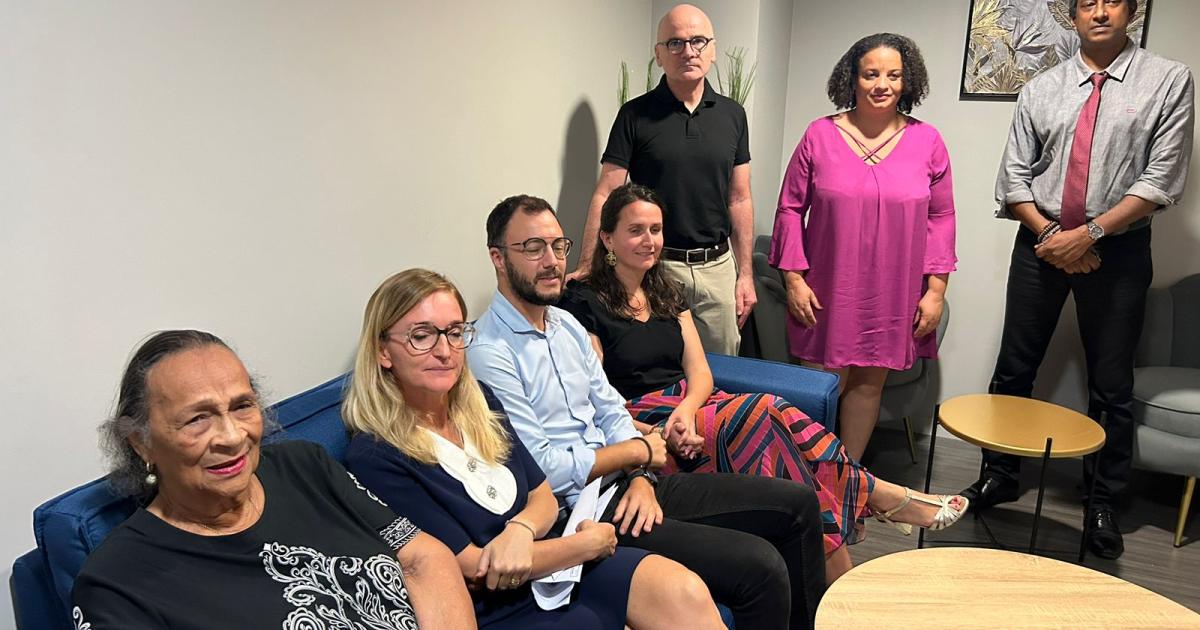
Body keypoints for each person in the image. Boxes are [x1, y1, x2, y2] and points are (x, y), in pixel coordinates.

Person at [561, 183, 968, 583]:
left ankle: (845, 553)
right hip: (638, 420)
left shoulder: (666, 289)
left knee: (770, 420)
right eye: (636, 230)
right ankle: (878, 501)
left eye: (656, 229)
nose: (649, 241)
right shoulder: (585, 301)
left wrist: (686, 410)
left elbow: (699, 371)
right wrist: (658, 429)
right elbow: (592, 398)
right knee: (762, 413)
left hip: (690, 407)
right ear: (607, 237)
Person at [468, 194, 828, 630]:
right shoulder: (490, 351)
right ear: (498, 258)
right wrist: (638, 456)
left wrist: (639, 477)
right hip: (582, 514)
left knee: (797, 504)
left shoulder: (565, 327)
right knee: (760, 567)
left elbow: (609, 410)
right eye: (532, 248)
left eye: (558, 246)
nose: (551, 261)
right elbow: (546, 470)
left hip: (629, 485)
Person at [342, 268, 725, 629]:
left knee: (684, 591)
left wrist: (521, 529)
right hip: (501, 603)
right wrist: (585, 545)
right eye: (422, 336)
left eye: (455, 332)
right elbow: (477, 567)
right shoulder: (375, 455)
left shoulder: (480, 402)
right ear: (383, 351)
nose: (444, 350)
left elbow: (541, 495)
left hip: (557, 560)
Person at [966, 0, 1194, 560]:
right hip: (1040, 240)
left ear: (1131, 11)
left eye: (1111, 0)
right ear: (1073, 16)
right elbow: (1013, 177)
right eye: (1087, 2)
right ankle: (1000, 475)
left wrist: (1088, 236)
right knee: (1014, 366)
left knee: (1111, 384)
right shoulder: (1042, 86)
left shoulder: (1168, 80)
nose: (1099, 11)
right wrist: (1054, 238)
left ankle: (1103, 500)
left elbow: (1162, 179)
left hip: (1116, 250)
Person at [71, 330, 474, 629]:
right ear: (141, 442)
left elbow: (423, 558)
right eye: (198, 418)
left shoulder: (305, 466)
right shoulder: (116, 585)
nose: (232, 437)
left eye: (242, 405)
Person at [768, 33, 957, 462]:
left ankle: (846, 477)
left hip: (894, 291)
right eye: (871, 74)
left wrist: (936, 290)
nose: (882, 85)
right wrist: (794, 279)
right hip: (828, 288)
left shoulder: (928, 142)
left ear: (908, 83)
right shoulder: (819, 135)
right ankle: (810, 476)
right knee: (823, 385)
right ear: (852, 79)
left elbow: (942, 218)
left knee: (870, 384)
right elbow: (789, 209)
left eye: (893, 75)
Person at [571, 3, 756, 356]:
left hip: (717, 268)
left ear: (713, 50)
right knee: (659, 364)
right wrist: (585, 263)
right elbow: (607, 191)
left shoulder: (734, 115)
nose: (688, 51)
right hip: (655, 266)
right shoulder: (634, 114)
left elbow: (740, 198)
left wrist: (744, 275)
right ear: (659, 55)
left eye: (698, 41)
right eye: (675, 43)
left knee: (723, 371)